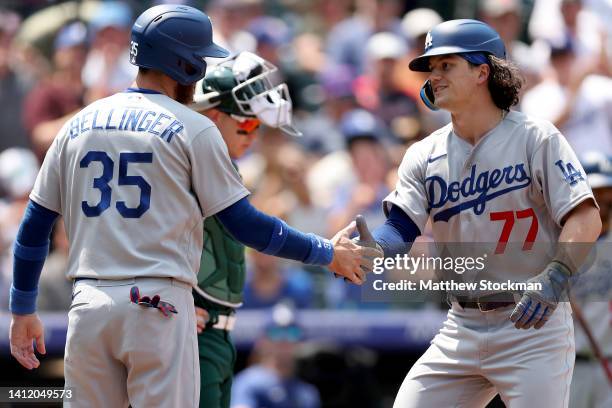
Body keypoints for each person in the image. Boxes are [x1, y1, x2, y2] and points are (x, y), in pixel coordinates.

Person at [7, 5, 380, 408]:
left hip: (89, 304)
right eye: (200, 59)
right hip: (156, 302)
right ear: (182, 63)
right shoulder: (193, 127)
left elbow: (34, 224)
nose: (203, 70)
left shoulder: (78, 123)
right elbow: (245, 224)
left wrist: (22, 307)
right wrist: (325, 252)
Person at [362, 19, 601, 407]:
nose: (434, 76)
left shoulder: (535, 138)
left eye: (446, 65)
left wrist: (557, 273)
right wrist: (373, 248)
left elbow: (585, 217)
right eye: (431, 68)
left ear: (482, 72)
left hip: (533, 326)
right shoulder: (424, 154)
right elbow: (401, 228)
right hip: (462, 323)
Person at [189, 51, 311, 407]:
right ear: (212, 117)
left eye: (257, 126)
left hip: (217, 328)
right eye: (246, 124)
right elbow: (249, 226)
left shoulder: (223, 166)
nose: (252, 135)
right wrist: (326, 252)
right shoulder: (188, 164)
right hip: (190, 328)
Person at [569, 152, 612, 408]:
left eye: (608, 191)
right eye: (597, 191)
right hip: (570, 366)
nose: (603, 200)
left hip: (608, 362)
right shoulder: (560, 244)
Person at [231, 303, 321, 408]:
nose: (284, 340)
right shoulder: (247, 383)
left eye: (292, 333)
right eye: (276, 332)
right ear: (262, 341)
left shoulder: (307, 393)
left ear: (300, 341)